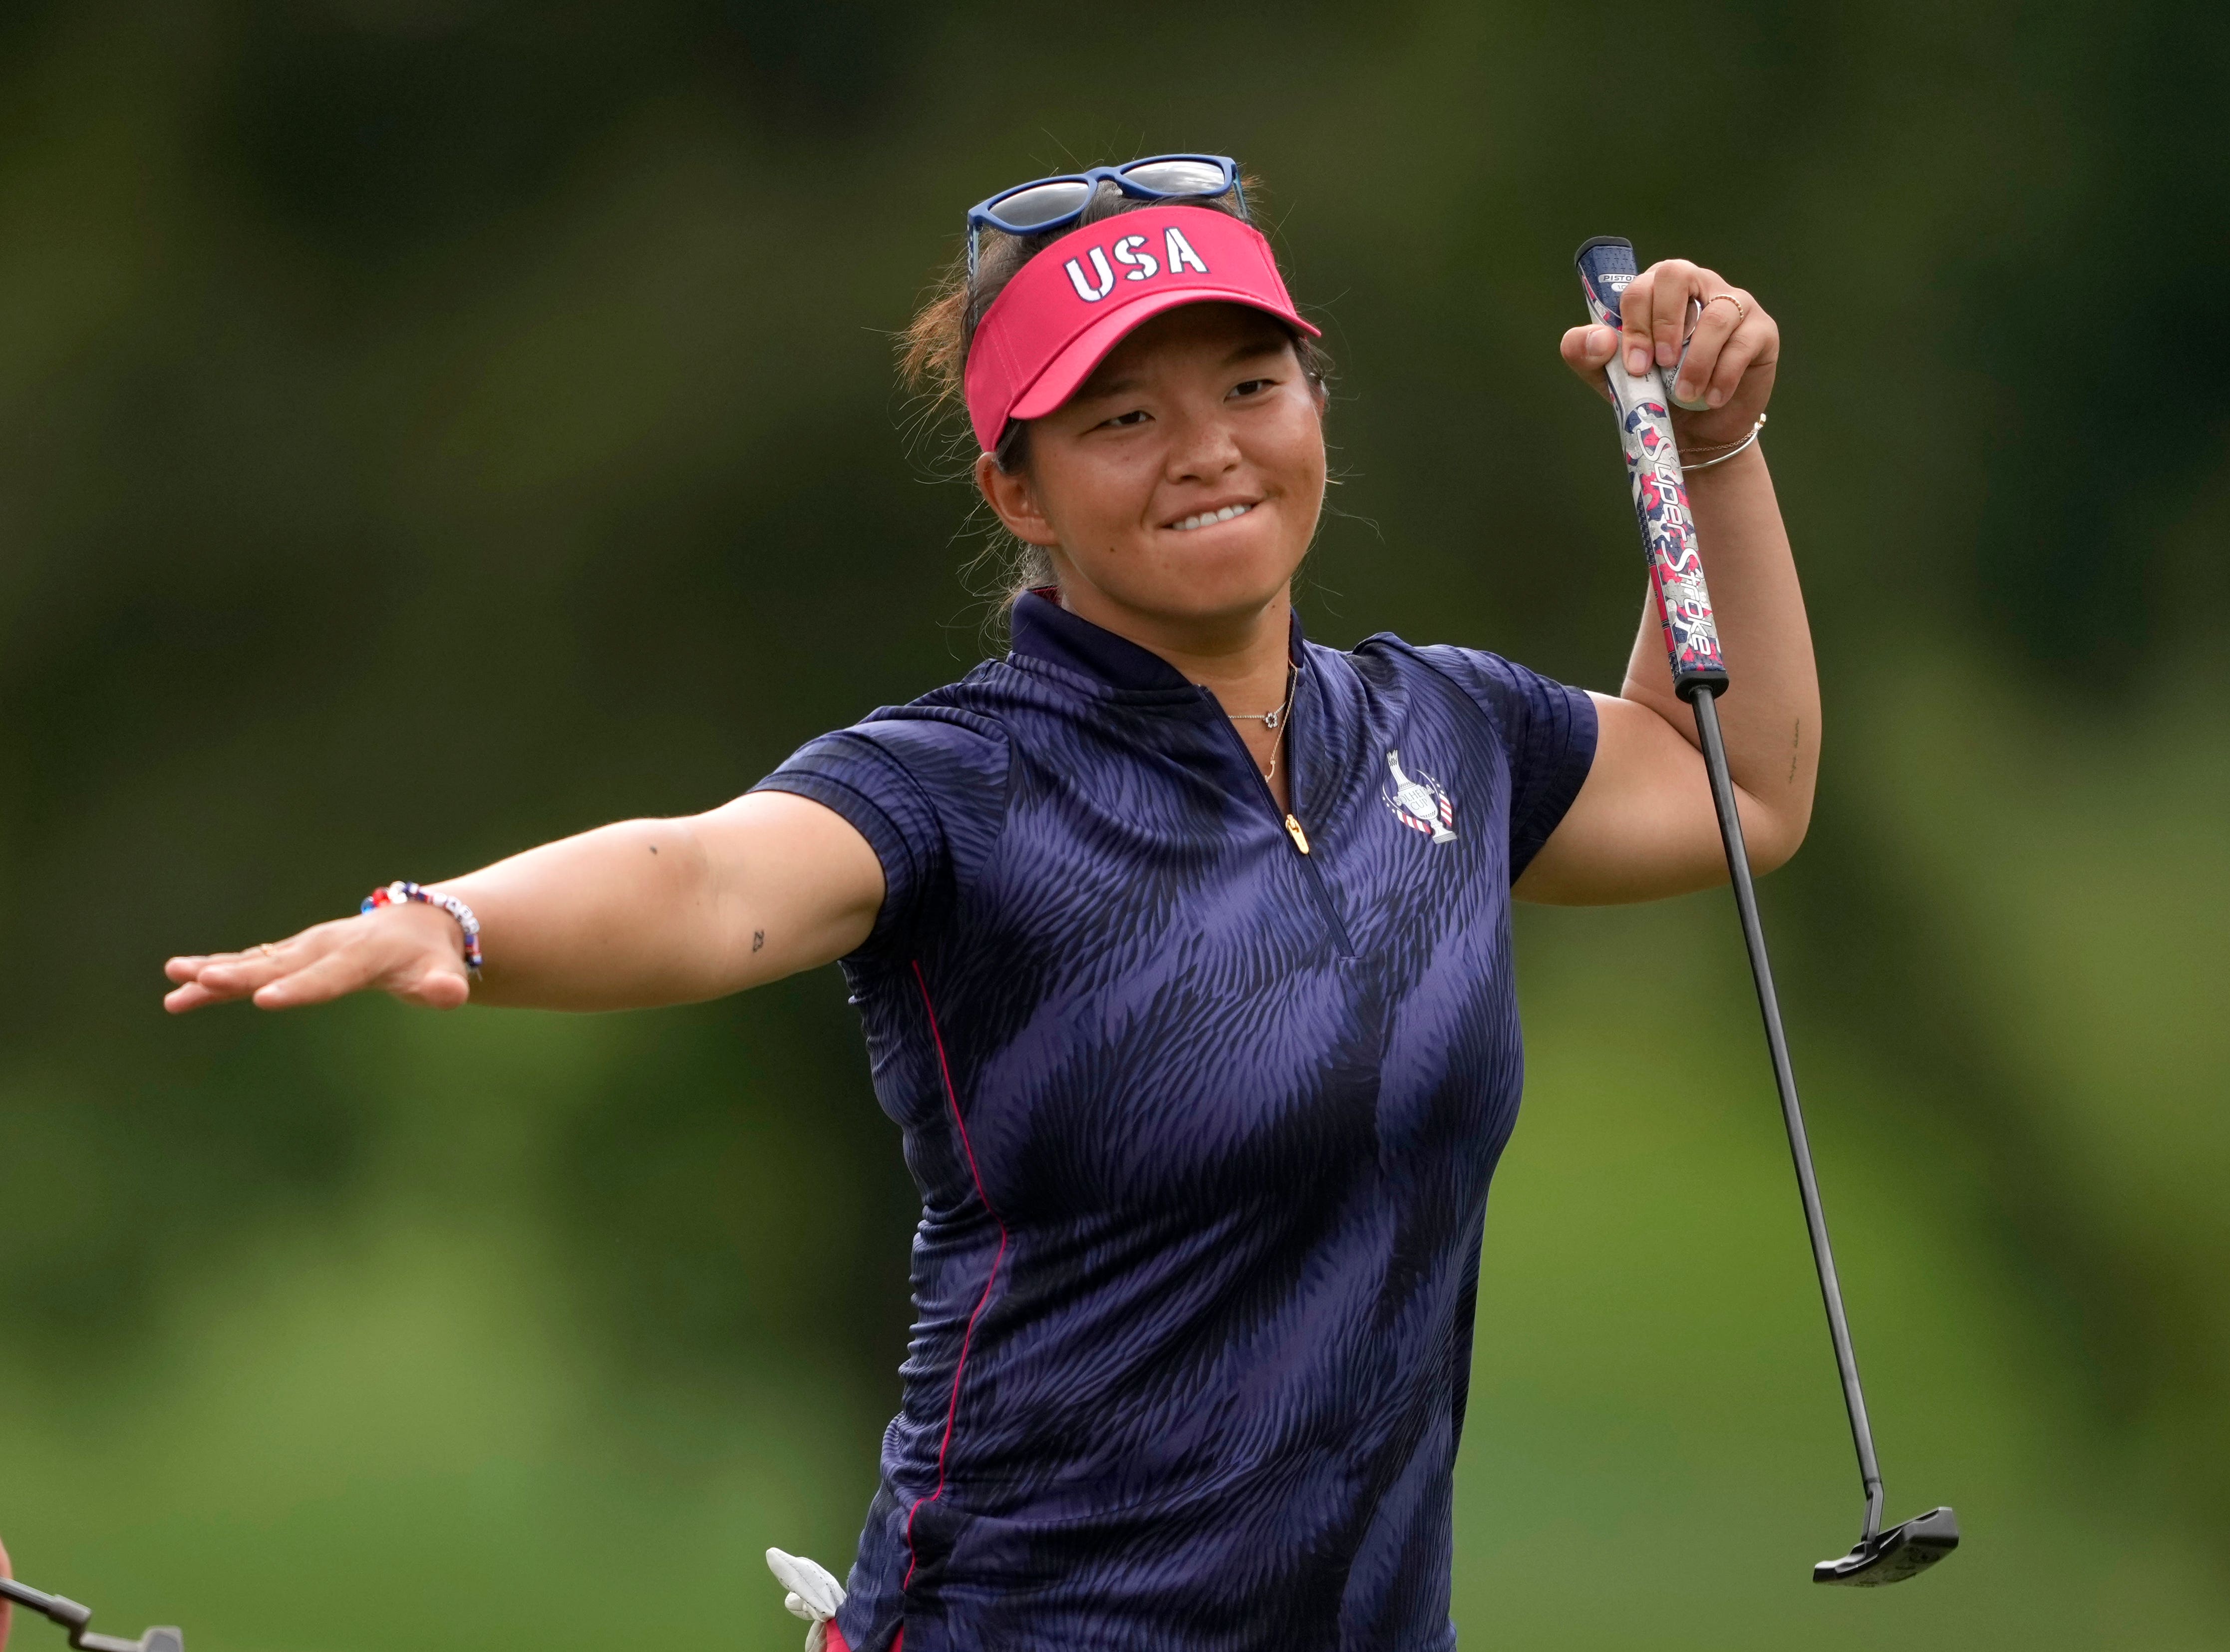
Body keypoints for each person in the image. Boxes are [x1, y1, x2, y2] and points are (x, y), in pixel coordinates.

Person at [163, 156, 1815, 1652]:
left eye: (1251, 384)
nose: (1207, 451)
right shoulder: (963, 783)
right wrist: (452, 918)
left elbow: (1733, 787)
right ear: (1018, 490)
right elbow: (713, 872)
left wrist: (1716, 448)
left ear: (1316, 407)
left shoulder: (1439, 729)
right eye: (1119, 420)